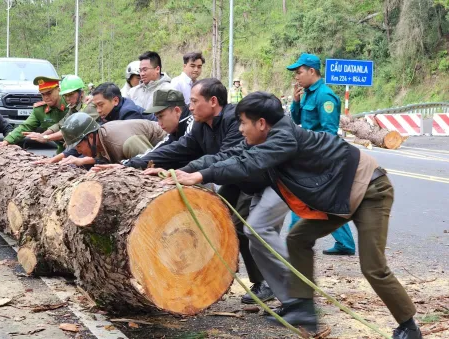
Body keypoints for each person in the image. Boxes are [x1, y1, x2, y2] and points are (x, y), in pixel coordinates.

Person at [166, 92, 422, 339]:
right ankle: (304, 309)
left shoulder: (284, 139)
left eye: (243, 123)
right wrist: (185, 170)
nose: (241, 130)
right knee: (297, 238)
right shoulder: (265, 139)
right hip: (339, 193)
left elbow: (246, 165)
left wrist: (200, 177)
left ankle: (409, 326)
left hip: (369, 189)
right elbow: (228, 156)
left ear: (262, 123)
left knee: (373, 267)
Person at [129, 78, 276, 304]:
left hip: (253, 181)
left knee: (247, 228)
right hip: (229, 179)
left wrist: (188, 172)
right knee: (214, 222)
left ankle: (270, 284)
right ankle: (204, 276)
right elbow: (181, 148)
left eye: (195, 101)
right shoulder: (200, 124)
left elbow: (227, 156)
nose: (190, 106)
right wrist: (140, 163)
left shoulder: (234, 120)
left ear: (213, 101)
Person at [287, 53, 356, 256]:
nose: (297, 77)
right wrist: (296, 101)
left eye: (299, 72)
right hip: (308, 155)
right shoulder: (307, 93)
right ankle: (345, 244)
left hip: (318, 157)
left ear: (311, 71)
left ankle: (294, 242)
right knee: (323, 202)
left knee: (300, 197)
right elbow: (298, 119)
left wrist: (314, 157)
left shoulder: (325, 96)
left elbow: (329, 133)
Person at [93, 89, 193, 171]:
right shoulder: (175, 131)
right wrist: (127, 164)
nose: (159, 123)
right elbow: (159, 149)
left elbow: (177, 148)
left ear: (177, 111)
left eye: (161, 116)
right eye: (157, 118)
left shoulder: (192, 123)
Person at [35, 112, 167, 168]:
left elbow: (150, 162)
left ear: (90, 137)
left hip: (167, 147)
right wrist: (51, 161)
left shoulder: (125, 143)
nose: (79, 151)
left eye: (79, 147)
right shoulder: (98, 138)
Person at [0, 76, 69, 153]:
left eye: (49, 93)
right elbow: (25, 127)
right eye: (43, 94)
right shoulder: (40, 110)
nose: (46, 97)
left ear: (58, 90)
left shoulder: (70, 103)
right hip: (62, 148)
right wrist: (6, 141)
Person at [25, 75, 97, 145]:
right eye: (65, 95)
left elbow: (71, 129)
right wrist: (43, 135)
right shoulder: (74, 107)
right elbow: (61, 124)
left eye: (70, 94)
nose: (67, 98)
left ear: (81, 93)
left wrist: (46, 138)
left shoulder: (88, 106)